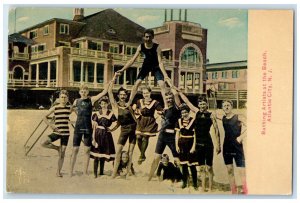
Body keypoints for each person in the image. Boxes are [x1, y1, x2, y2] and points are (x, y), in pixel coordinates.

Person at [116, 29, 172, 108]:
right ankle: (129, 102)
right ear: (144, 37)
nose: (148, 39)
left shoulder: (157, 47)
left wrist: (165, 75)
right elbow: (132, 60)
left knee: (162, 84)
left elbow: (160, 62)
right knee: (137, 83)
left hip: (156, 66)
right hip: (146, 65)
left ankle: (166, 105)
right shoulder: (141, 46)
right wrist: (122, 70)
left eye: (149, 37)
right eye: (146, 37)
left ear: (153, 37)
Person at [178, 91, 221, 192]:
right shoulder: (196, 112)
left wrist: (218, 145)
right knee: (201, 167)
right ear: (198, 104)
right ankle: (203, 187)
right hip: (197, 143)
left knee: (209, 167)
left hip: (208, 143)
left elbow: (217, 131)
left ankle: (210, 188)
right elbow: (187, 102)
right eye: (200, 103)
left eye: (204, 103)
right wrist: (180, 92)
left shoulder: (211, 115)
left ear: (206, 104)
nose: (202, 105)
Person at [70, 84, 109, 177]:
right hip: (78, 127)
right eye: (82, 91)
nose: (83, 93)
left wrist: (107, 85)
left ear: (88, 92)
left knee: (87, 150)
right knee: (75, 149)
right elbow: (70, 110)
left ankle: (85, 171)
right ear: (79, 92)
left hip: (87, 127)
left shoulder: (91, 99)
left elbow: (103, 93)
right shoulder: (76, 101)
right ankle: (71, 171)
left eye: (85, 91)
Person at [148, 89, 181, 181]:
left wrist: (172, 87)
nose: (169, 100)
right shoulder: (165, 109)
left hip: (172, 136)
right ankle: (149, 178)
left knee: (177, 158)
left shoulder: (176, 108)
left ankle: (182, 178)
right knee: (156, 157)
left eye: (170, 98)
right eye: (167, 98)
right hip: (162, 136)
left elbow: (177, 97)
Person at [108, 74, 137, 178]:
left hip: (133, 129)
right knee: (119, 151)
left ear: (126, 95)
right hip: (124, 130)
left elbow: (135, 89)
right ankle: (114, 173)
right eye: (121, 94)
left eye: (124, 94)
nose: (123, 96)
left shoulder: (129, 105)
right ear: (118, 96)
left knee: (130, 152)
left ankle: (128, 173)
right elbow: (109, 92)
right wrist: (114, 78)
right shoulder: (115, 106)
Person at [41, 90, 73, 177]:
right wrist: (51, 125)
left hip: (66, 133)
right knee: (43, 143)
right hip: (57, 132)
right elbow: (44, 117)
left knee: (62, 154)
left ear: (67, 99)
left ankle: (58, 172)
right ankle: (56, 148)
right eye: (62, 97)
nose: (63, 99)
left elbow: (78, 110)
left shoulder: (69, 108)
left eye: (65, 97)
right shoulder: (55, 108)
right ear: (59, 98)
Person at [221, 100, 247, 194]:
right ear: (222, 108)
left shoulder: (238, 116)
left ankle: (245, 190)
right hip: (227, 146)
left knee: (241, 171)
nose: (226, 107)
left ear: (232, 106)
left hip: (237, 146)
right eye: (224, 106)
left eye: (228, 105)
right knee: (229, 170)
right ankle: (233, 192)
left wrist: (241, 137)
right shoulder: (223, 118)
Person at [132, 86, 163, 164]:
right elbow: (135, 108)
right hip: (141, 120)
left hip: (150, 121)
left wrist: (160, 113)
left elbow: (160, 110)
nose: (145, 94)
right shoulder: (139, 101)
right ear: (142, 94)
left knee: (145, 137)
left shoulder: (155, 102)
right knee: (138, 137)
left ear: (150, 93)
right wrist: (135, 108)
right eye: (144, 93)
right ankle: (142, 154)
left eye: (147, 93)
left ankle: (141, 155)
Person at [90, 96, 119, 178]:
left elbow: (117, 122)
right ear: (100, 104)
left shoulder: (110, 114)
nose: (103, 105)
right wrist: (94, 139)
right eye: (102, 104)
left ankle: (101, 172)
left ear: (108, 104)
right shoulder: (97, 113)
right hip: (98, 134)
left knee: (103, 154)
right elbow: (94, 127)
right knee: (96, 154)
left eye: (105, 103)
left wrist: (112, 129)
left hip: (106, 135)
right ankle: (95, 174)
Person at [175, 104, 198, 190]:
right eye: (182, 112)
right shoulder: (179, 121)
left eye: (185, 112)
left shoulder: (193, 121)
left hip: (190, 143)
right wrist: (176, 145)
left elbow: (195, 135)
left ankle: (195, 184)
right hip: (182, 144)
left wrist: (193, 147)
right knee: (183, 165)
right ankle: (184, 182)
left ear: (188, 112)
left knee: (192, 165)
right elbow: (177, 134)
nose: (184, 114)